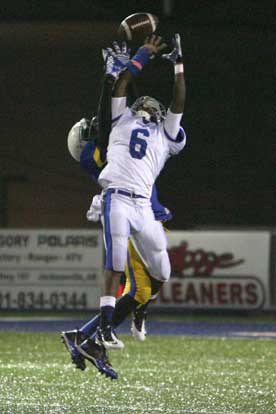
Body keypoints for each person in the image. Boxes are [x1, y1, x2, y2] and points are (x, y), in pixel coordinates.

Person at [62, 41, 175, 379]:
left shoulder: (123, 137)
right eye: (91, 127)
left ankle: (89, 334)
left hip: (144, 212)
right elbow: (110, 115)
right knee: (140, 289)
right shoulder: (98, 151)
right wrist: (109, 77)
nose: (96, 123)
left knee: (153, 282)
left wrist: (118, 75)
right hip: (128, 212)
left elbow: (121, 112)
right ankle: (89, 336)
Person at [95, 33, 186, 352]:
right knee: (115, 263)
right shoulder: (122, 119)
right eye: (143, 100)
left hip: (144, 206)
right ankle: (105, 328)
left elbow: (179, 102)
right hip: (117, 197)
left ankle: (140, 308)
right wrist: (143, 55)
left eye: (151, 103)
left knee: (162, 269)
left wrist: (179, 65)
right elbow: (121, 85)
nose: (146, 102)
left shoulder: (165, 135)